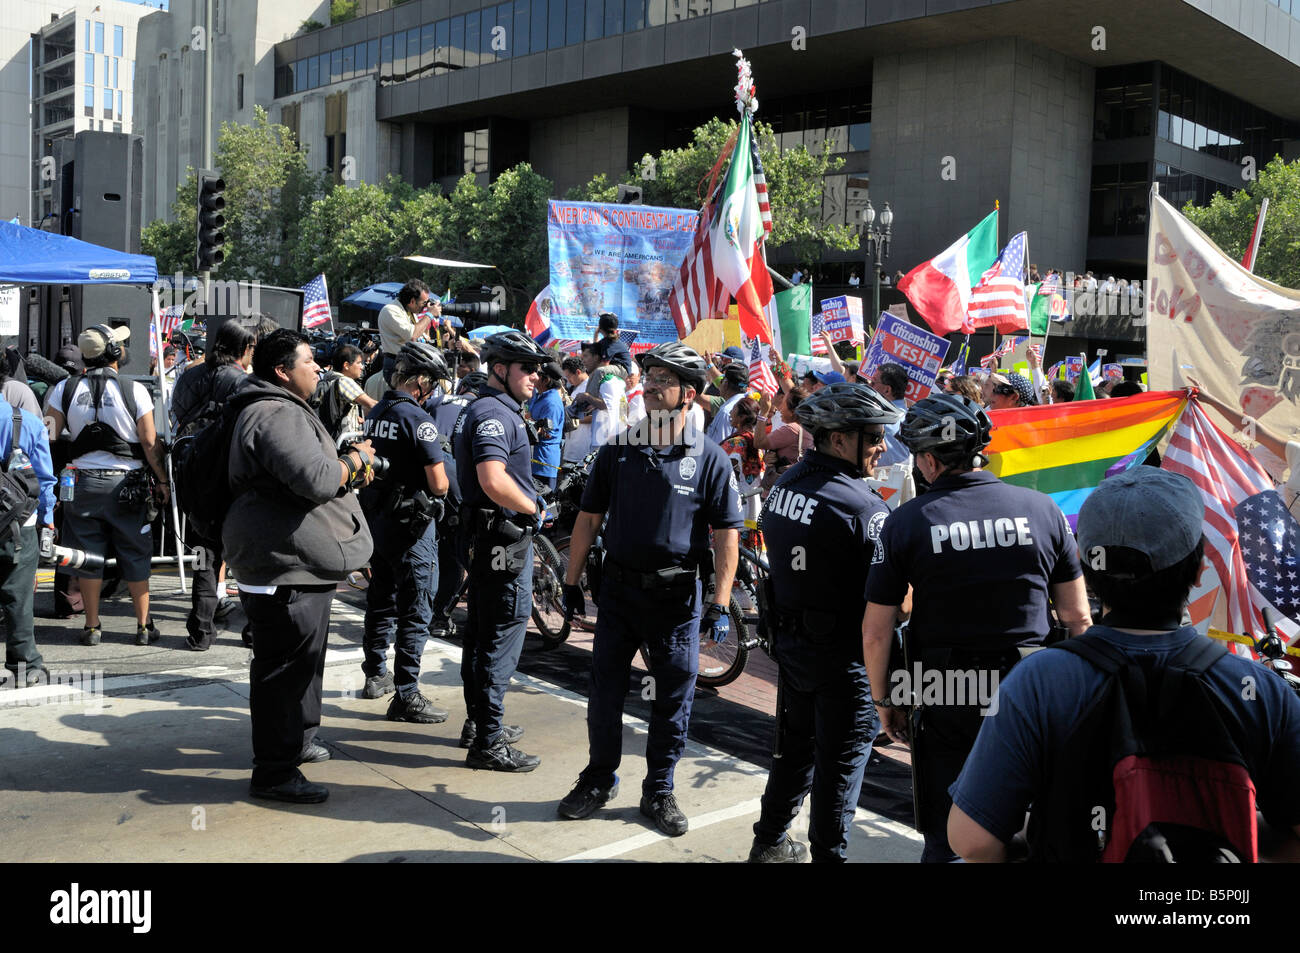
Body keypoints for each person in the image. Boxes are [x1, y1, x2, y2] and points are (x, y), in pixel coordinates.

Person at [947, 467, 1300, 862]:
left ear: (1088, 570)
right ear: (1199, 566)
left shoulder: (1037, 682)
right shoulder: (1260, 690)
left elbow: (972, 841)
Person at [860, 391, 1092, 862]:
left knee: (947, 832)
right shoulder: (1043, 509)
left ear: (928, 460)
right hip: (1030, 687)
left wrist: (885, 702)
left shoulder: (906, 522)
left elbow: (877, 631)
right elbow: (1077, 618)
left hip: (942, 689)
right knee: (1032, 824)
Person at [556, 341, 743, 836]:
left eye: (664, 378)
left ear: (689, 394)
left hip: (676, 603)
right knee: (606, 693)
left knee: (671, 700)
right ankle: (598, 779)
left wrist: (721, 603)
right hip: (618, 595)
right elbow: (588, 518)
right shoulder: (618, 448)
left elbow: (727, 536)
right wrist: (571, 583)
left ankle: (658, 789)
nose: (653, 385)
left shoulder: (710, 459)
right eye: (651, 376)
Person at [748, 383, 903, 863]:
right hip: (844, 661)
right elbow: (896, 602)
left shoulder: (786, 484)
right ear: (839, 440)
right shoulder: (864, 508)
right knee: (840, 768)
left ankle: (769, 841)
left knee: (793, 752)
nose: (882, 446)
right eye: (874, 436)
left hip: (793, 650)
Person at [224, 328, 376, 804]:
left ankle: (297, 745)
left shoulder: (276, 408)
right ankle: (274, 772)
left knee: (301, 665)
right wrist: (354, 460)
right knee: (284, 670)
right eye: (309, 361)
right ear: (282, 371)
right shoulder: (274, 411)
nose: (318, 368)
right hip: (282, 565)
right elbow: (316, 478)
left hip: (295, 564)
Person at [451, 329, 550, 770]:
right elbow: (493, 478)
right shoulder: (495, 413)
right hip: (502, 540)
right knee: (500, 637)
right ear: (499, 370)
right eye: (527, 368)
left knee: (481, 633)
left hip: (485, 537)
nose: (535, 376)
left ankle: (480, 725)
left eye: (537, 369)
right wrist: (532, 508)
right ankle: (488, 742)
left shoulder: (490, 408)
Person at [44, 325, 169, 648]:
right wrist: (163, 481)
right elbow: (150, 441)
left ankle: (92, 626)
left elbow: (49, 437)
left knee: (87, 556)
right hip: (127, 485)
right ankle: (143, 626)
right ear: (114, 352)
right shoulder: (135, 390)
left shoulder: (63, 389)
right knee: (136, 552)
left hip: (81, 484)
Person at [357, 341, 451, 722]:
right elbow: (440, 484)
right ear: (421, 382)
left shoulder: (377, 410)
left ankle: (374, 674)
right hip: (412, 528)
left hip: (378, 523)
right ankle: (407, 694)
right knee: (416, 607)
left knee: (380, 598)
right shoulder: (419, 419)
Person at [170, 318, 257, 651]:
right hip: (231, 479)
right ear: (244, 348)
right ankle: (252, 631)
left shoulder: (190, 374)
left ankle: (201, 631)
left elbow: (177, 414)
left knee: (204, 557)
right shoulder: (243, 382)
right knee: (246, 558)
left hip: (192, 475)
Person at [0, 392, 56, 687]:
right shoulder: (28, 421)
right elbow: (44, 477)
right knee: (18, 595)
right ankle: (26, 666)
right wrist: (48, 517)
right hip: (19, 522)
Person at [378, 279, 442, 383]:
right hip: (396, 364)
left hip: (408, 362)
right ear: (412, 301)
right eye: (424, 303)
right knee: (402, 397)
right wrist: (430, 314)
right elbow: (412, 335)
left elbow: (418, 336)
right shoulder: (391, 310)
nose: (425, 306)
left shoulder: (409, 312)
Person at [720, 397, 765, 525]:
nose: (730, 414)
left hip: (734, 500)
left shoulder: (735, 443)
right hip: (753, 501)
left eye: (733, 410)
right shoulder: (757, 442)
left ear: (742, 417)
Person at [321, 344, 379, 440]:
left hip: (329, 438)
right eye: (359, 363)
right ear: (346, 365)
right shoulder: (345, 381)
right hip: (345, 442)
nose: (362, 367)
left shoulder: (327, 378)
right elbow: (372, 404)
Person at [528, 364, 565, 491]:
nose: (533, 377)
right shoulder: (541, 395)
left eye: (538, 374)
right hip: (535, 459)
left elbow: (547, 433)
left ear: (546, 380)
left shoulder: (551, 402)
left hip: (544, 463)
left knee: (543, 505)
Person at [865, 363, 910, 467]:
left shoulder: (878, 419)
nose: (869, 386)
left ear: (887, 390)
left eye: (873, 382)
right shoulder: (910, 417)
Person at [702, 361, 749, 444]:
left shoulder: (727, 412)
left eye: (722, 380)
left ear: (726, 384)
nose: (720, 383)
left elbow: (721, 447)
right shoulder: (748, 403)